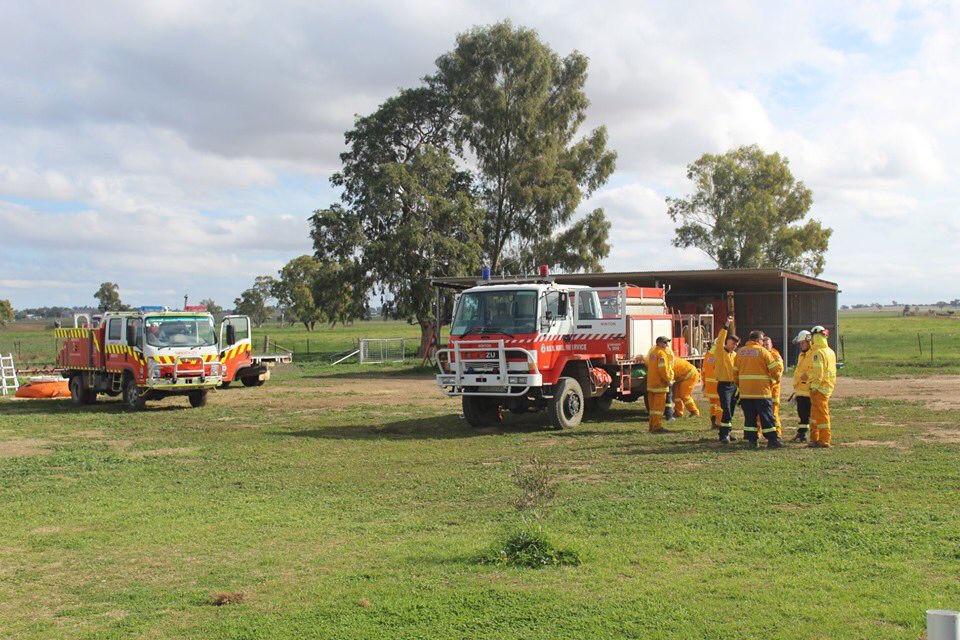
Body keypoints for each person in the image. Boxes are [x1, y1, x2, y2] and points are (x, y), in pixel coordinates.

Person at [734, 330, 785, 449]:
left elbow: (735, 374)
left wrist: (741, 385)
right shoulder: (763, 352)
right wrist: (775, 380)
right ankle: (772, 440)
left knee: (750, 418)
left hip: (746, 393)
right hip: (762, 392)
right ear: (759, 340)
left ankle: (752, 441)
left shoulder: (740, 353)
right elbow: (775, 370)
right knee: (766, 416)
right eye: (762, 340)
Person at [807, 325, 837, 448]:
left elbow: (819, 372)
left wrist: (814, 386)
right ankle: (815, 438)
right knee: (815, 415)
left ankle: (824, 440)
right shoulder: (830, 351)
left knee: (821, 414)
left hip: (819, 389)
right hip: (827, 387)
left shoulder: (818, 353)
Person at [711, 316, 739, 444]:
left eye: (736, 344)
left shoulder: (735, 355)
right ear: (727, 342)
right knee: (726, 409)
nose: (734, 346)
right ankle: (723, 435)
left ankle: (728, 431)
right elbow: (721, 337)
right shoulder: (720, 351)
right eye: (733, 343)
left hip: (733, 385)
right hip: (723, 385)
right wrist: (727, 324)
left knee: (731, 410)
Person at [645, 336, 674, 433]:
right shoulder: (662, 354)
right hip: (660, 385)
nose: (667, 345)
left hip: (651, 384)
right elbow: (663, 369)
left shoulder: (653, 353)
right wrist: (668, 380)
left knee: (652, 408)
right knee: (658, 408)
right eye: (665, 343)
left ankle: (652, 425)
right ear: (659, 343)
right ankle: (657, 427)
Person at [790, 330, 813, 443]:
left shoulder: (813, 355)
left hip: (809, 390)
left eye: (803, 342)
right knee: (802, 413)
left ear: (809, 342)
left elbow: (814, 371)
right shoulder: (802, 355)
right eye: (800, 343)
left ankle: (804, 433)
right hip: (800, 390)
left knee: (807, 414)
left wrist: (807, 376)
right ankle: (802, 433)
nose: (801, 345)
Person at [763, 336, 784, 436]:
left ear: (771, 345)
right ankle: (758, 433)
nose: (765, 346)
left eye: (767, 344)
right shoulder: (760, 354)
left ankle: (777, 433)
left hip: (773, 390)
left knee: (774, 413)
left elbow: (778, 372)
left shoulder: (775, 355)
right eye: (763, 345)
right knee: (760, 414)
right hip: (763, 390)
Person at [702, 347, 722, 429]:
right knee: (720, 405)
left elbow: (703, 370)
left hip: (709, 385)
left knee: (712, 404)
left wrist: (704, 383)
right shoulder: (722, 354)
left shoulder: (708, 355)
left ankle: (713, 421)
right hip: (719, 384)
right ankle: (719, 423)